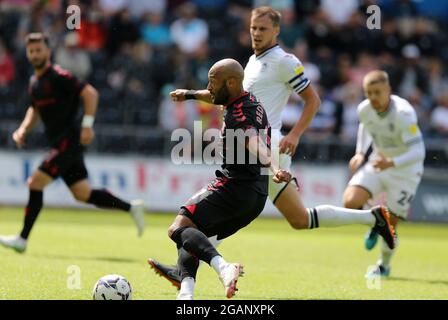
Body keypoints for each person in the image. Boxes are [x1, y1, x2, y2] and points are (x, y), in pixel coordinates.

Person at [148, 7, 397, 290]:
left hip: (267, 146)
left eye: (263, 29)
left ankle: (193, 278)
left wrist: (295, 135)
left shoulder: (284, 61)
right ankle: (372, 217)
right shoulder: (252, 62)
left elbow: (312, 101)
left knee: (200, 222)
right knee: (300, 219)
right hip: (254, 144)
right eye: (253, 28)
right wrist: (190, 94)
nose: (256, 33)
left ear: (277, 30)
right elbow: (224, 97)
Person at [0, 33, 145, 254]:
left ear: (48, 52)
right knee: (82, 193)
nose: (35, 54)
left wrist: (87, 124)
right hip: (61, 143)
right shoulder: (34, 82)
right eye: (31, 51)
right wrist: (23, 129)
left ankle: (22, 239)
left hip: (69, 142)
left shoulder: (58, 75)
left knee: (35, 183)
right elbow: (35, 109)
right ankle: (131, 207)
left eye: (39, 50)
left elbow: (90, 93)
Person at [164, 58, 291, 300]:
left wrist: (275, 167)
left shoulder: (239, 115)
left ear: (230, 83)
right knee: (194, 236)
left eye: (213, 82)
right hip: (255, 196)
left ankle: (224, 268)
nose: (209, 87)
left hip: (235, 187)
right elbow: (213, 97)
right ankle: (185, 296)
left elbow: (253, 142)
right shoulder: (246, 98)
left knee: (178, 228)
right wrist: (189, 94)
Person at [343, 70, 425, 277]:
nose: (373, 97)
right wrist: (360, 153)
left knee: (392, 225)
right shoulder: (364, 109)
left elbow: (418, 151)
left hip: (406, 171)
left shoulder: (403, 113)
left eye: (377, 92)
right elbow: (366, 126)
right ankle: (374, 220)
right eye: (368, 93)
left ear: (388, 90)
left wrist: (393, 162)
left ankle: (384, 266)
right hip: (379, 162)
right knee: (350, 201)